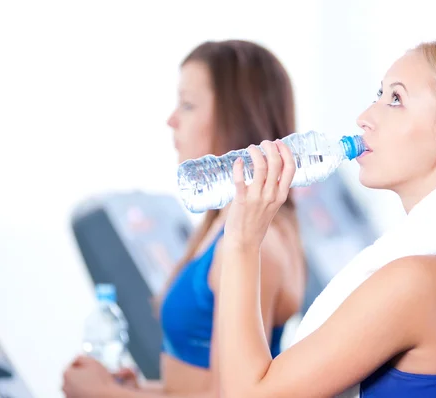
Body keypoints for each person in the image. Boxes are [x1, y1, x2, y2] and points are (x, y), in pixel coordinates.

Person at [214, 40, 436, 397]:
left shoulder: (415, 282)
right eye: (379, 94)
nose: (365, 117)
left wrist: (242, 242)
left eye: (396, 99)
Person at [62, 40, 306, 397]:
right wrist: (139, 390)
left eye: (188, 105)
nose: (171, 120)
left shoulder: (256, 243)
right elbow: (196, 387)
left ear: (235, 117)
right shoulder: (224, 227)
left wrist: (104, 394)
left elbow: (229, 395)